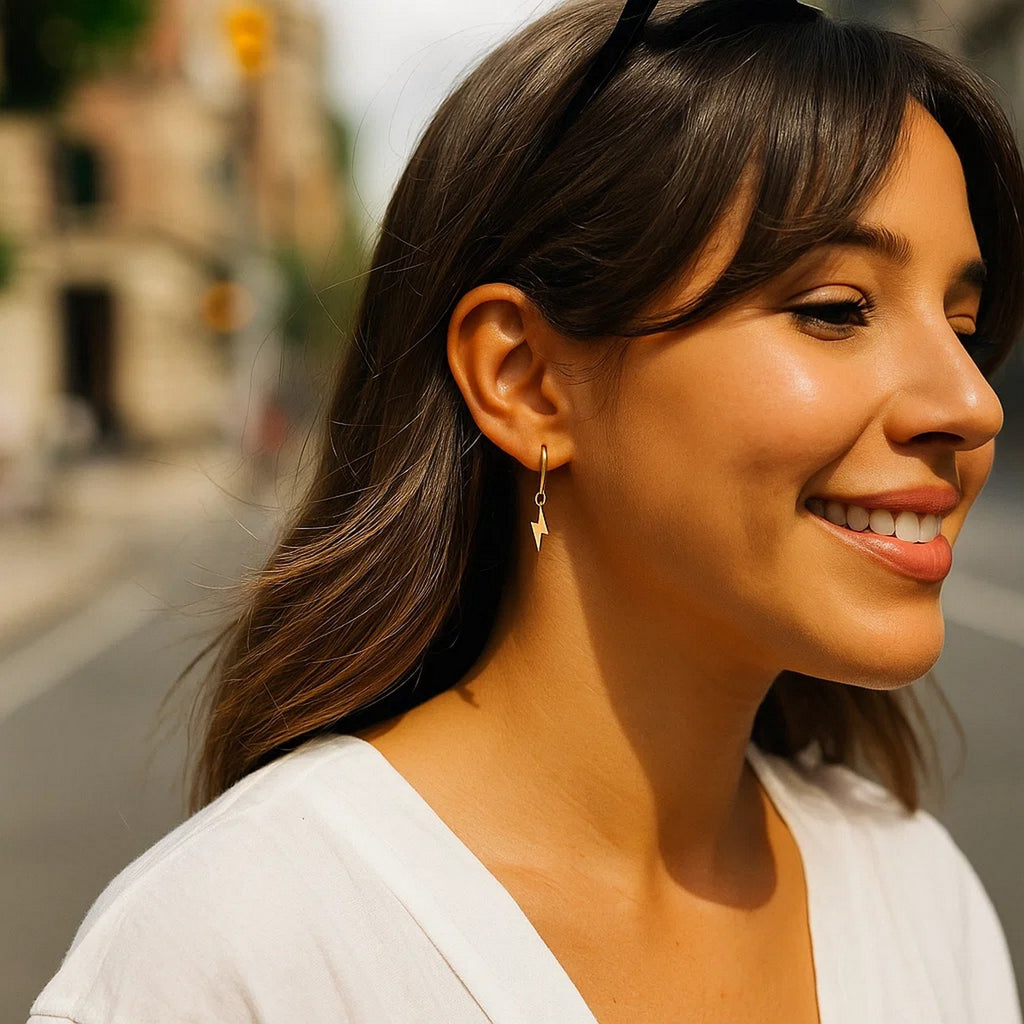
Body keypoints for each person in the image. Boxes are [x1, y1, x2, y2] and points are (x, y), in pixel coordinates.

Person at [29, 0, 1024, 1020]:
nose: (970, 402)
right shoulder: (239, 951)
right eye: (835, 311)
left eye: (965, 324)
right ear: (527, 380)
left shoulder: (917, 893)